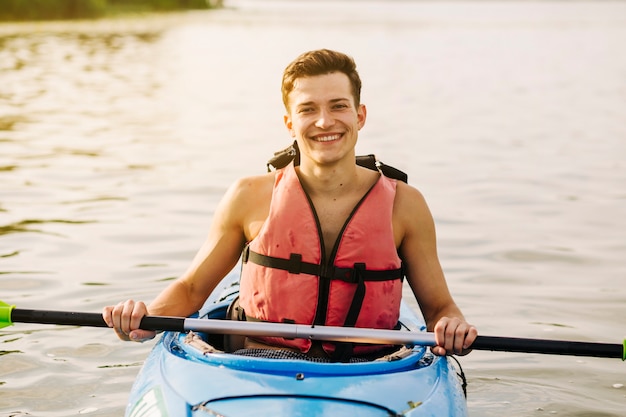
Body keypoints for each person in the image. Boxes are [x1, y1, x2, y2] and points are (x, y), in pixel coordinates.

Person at [102, 49, 477, 358]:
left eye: (339, 106)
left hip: (367, 368)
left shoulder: (406, 205)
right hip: (258, 360)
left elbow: (440, 309)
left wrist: (452, 325)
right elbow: (191, 289)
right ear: (289, 122)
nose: (324, 121)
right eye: (308, 109)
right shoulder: (249, 196)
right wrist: (143, 318)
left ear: (360, 116)